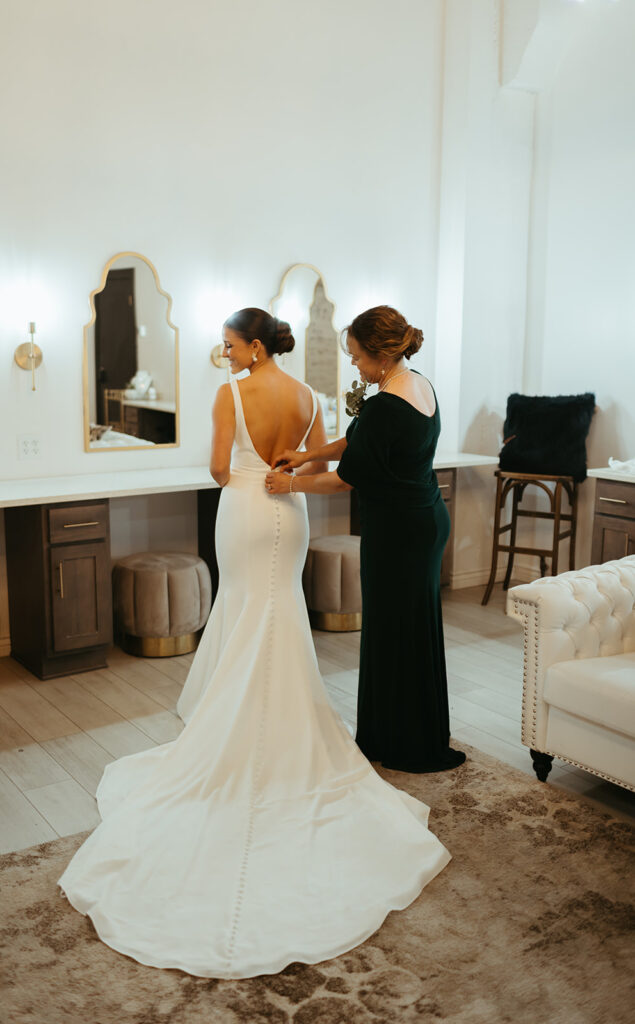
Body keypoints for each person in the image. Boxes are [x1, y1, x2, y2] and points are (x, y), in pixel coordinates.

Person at [58, 307, 451, 979]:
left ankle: (235, 722)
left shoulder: (229, 394)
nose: (224, 354)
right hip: (289, 513)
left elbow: (219, 470)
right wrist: (294, 472)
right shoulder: (308, 396)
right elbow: (337, 450)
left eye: (229, 344)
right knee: (281, 608)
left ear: (252, 344)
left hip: (248, 505)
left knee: (243, 608)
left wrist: (269, 472)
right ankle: (293, 721)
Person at [268, 305, 465, 774]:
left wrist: (289, 484)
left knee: (394, 631)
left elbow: (346, 478)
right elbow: (356, 441)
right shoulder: (416, 383)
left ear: (379, 355)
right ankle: (404, 731)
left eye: (356, 356)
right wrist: (306, 455)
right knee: (409, 629)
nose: (353, 364)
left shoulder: (384, 404)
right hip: (425, 520)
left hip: (398, 531)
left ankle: (403, 742)